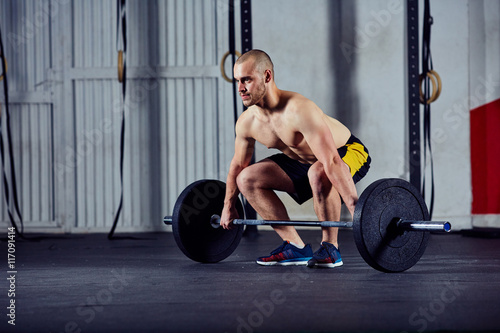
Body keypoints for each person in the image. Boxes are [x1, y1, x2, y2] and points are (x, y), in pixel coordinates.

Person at [220, 50, 370, 268]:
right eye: (237, 81)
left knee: (318, 171)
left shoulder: (298, 110)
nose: (240, 88)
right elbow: (237, 164)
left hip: (346, 151)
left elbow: (331, 161)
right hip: (305, 163)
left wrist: (358, 209)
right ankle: (295, 246)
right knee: (246, 179)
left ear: (267, 76)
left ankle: (330, 247)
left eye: (247, 80)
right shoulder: (247, 122)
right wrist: (228, 206)